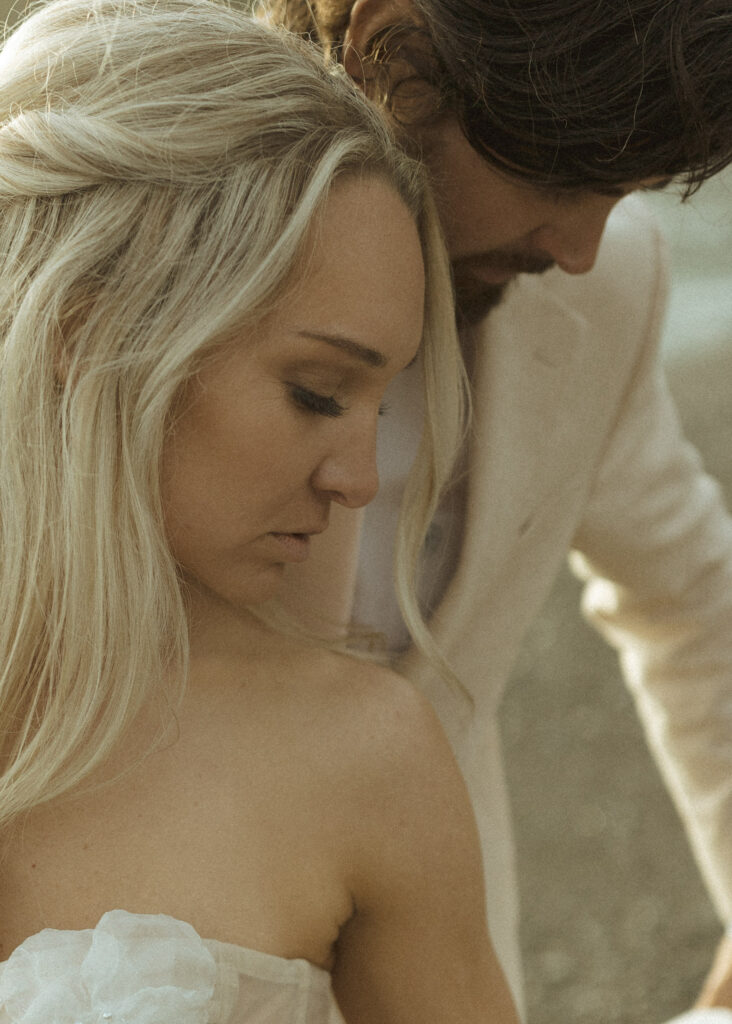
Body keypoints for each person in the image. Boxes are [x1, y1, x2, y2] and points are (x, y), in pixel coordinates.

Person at [0, 1, 521, 1021]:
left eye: (385, 400)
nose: (361, 481)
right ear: (87, 324)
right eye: (319, 392)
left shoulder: (362, 756)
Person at [261, 0, 732, 1016]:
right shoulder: (107, 237)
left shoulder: (603, 288)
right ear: (392, 44)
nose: (581, 247)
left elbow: (691, 598)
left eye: (627, 192)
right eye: (561, 178)